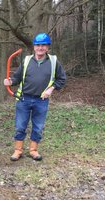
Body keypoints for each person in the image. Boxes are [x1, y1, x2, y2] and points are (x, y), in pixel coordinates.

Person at [4, 32, 66, 161]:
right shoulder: (26, 61)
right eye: (38, 45)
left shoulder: (54, 62)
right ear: (34, 47)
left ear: (48, 47)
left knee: (38, 127)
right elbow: (17, 77)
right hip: (24, 99)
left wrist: (51, 89)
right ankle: (18, 150)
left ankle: (33, 150)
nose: (40, 48)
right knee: (20, 126)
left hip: (41, 101)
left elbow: (61, 79)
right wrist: (10, 81)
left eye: (43, 45)